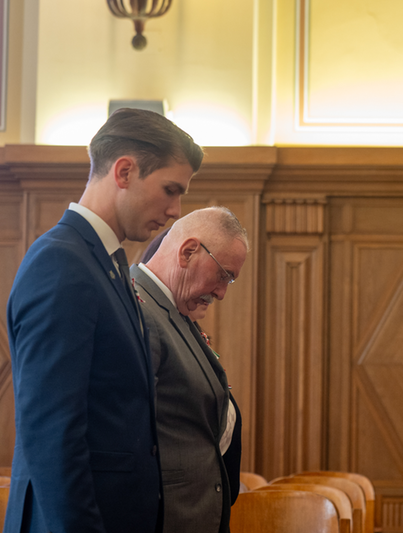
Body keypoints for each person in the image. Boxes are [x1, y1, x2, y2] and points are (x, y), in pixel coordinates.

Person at [5, 108, 203, 533]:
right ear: (125, 171)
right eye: (170, 190)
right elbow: (53, 436)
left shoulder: (106, 263)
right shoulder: (62, 263)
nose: (175, 210)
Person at [130, 207, 248, 533]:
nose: (222, 292)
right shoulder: (137, 311)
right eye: (223, 275)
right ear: (188, 251)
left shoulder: (174, 310)